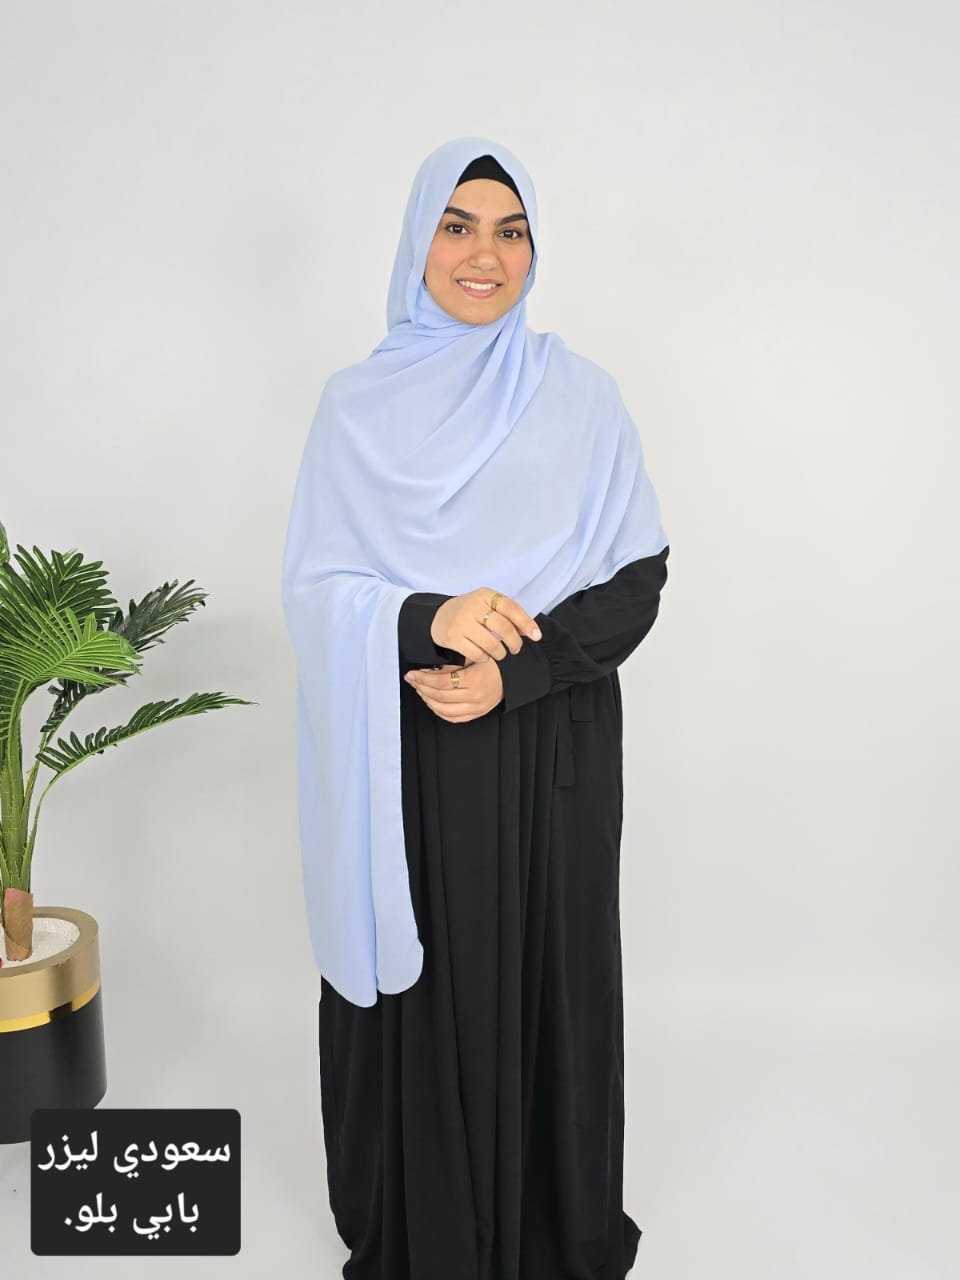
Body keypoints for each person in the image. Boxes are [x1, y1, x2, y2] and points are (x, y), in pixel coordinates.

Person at [281, 136, 670, 1279]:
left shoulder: (581, 395)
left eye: (511, 230)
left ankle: (553, 1224)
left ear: (535, 250)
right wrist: (429, 614)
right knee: (431, 980)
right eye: (457, 226)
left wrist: (519, 668)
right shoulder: (354, 405)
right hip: (407, 745)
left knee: (554, 974)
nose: (484, 255)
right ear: (419, 241)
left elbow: (637, 577)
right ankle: (432, 1232)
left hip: (551, 744)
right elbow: (316, 588)